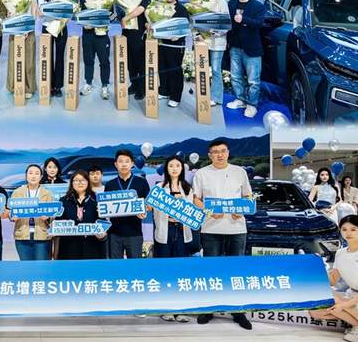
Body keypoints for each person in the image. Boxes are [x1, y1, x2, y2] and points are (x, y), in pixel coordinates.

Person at [193, 139, 253, 330]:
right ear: (209, 155)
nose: (219, 154)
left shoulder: (239, 172)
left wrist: (242, 209)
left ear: (228, 153)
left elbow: (248, 196)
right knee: (211, 270)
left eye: (223, 151)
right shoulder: (202, 173)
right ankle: (209, 308)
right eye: (215, 152)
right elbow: (196, 199)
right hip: (211, 229)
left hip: (236, 228)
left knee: (236, 270)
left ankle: (237, 310)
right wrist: (209, 211)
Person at [309, 215, 358, 342]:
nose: (348, 233)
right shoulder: (340, 253)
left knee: (333, 302)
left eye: (353, 229)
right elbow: (333, 280)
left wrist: (344, 305)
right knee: (315, 312)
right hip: (352, 296)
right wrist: (318, 267)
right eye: (344, 229)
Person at [150, 156, 193, 322]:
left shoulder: (187, 188)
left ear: (182, 168)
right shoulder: (158, 188)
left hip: (181, 231)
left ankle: (180, 309)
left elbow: (192, 212)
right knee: (164, 269)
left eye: (177, 166)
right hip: (164, 231)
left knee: (180, 269)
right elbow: (149, 207)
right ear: (166, 169)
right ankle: (165, 308)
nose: (174, 168)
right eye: (171, 166)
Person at [226, 0, 266, 118]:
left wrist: (244, 20)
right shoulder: (231, 4)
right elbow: (227, 23)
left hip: (252, 48)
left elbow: (259, 23)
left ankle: (252, 104)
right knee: (235, 76)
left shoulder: (258, 6)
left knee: (253, 80)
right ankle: (240, 99)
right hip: (235, 46)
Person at [105, 149, 150, 259]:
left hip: (134, 233)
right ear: (116, 164)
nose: (124, 164)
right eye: (120, 161)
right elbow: (105, 207)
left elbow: (149, 205)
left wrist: (144, 210)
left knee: (135, 266)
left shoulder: (142, 182)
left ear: (132, 164)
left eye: (127, 161)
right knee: (116, 266)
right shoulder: (110, 185)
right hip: (114, 233)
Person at [56, 170, 106, 259]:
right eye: (76, 180)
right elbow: (58, 222)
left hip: (92, 245)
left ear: (88, 182)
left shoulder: (96, 199)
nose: (80, 183)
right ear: (72, 183)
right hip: (69, 247)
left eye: (83, 180)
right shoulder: (63, 201)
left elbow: (103, 221)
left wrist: (102, 234)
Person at [194, 0, 228, 106]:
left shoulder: (221, 2)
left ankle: (216, 97)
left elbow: (226, 23)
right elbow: (192, 22)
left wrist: (215, 32)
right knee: (200, 68)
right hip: (201, 41)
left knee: (215, 69)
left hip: (217, 41)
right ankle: (202, 95)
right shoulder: (197, 2)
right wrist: (197, 35)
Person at [156, 0, 190, 107]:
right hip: (162, 43)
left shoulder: (181, 9)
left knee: (174, 70)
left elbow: (185, 27)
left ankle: (175, 97)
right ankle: (164, 91)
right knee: (162, 68)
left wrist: (178, 36)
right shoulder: (160, 7)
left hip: (175, 45)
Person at [10, 164, 54, 260]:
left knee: (41, 266)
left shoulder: (47, 193)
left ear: (41, 177)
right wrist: (12, 216)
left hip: (42, 236)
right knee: (26, 267)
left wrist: (48, 217)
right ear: (26, 176)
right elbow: (10, 211)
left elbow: (53, 214)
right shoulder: (17, 192)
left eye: (37, 173)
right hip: (22, 236)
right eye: (30, 173)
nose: (33, 176)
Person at [79, 0, 110, 100]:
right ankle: (88, 83)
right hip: (87, 34)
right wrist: (85, 23)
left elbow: (113, 15)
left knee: (104, 61)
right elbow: (79, 14)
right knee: (88, 60)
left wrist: (103, 21)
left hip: (102, 35)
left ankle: (105, 85)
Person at [6, 0, 38, 99]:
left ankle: (29, 88)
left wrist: (26, 29)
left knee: (29, 61)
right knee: (14, 60)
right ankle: (14, 86)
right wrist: (10, 16)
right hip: (15, 32)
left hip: (28, 32)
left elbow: (34, 16)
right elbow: (9, 15)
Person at [38, 0, 69, 97]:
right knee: (48, 57)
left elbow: (69, 13)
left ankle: (58, 86)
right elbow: (40, 14)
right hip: (47, 27)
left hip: (61, 28)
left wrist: (65, 18)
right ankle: (49, 85)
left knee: (60, 57)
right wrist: (51, 11)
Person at [122, 0, 151, 100]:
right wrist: (120, 17)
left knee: (140, 61)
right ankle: (133, 84)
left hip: (139, 32)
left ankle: (141, 88)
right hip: (126, 31)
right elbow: (118, 8)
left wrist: (126, 17)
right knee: (130, 62)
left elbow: (141, 9)